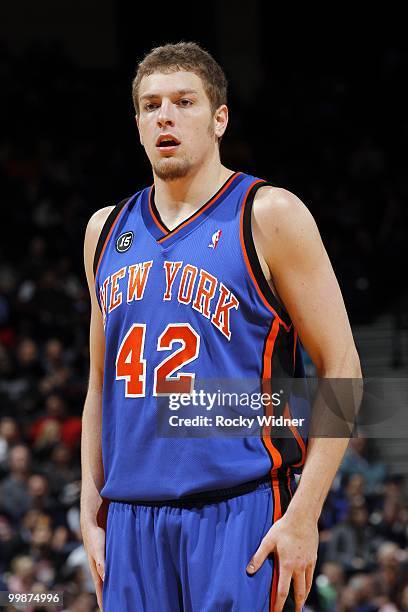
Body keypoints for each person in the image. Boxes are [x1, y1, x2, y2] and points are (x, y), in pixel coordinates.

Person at [80, 41, 362, 611]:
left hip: (243, 511)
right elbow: (98, 385)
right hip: (132, 520)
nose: (166, 116)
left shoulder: (270, 214)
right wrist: (90, 507)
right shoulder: (104, 231)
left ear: (219, 118)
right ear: (136, 123)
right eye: (151, 104)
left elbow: (343, 369)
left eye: (185, 101)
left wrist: (304, 516)